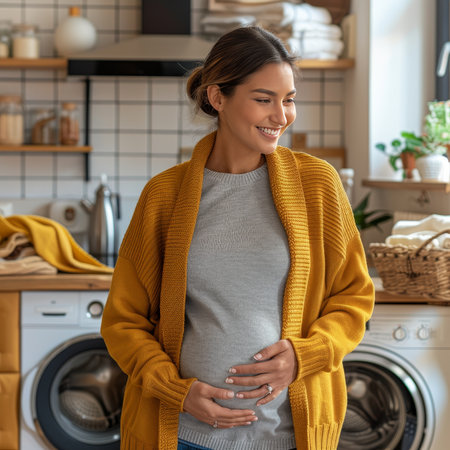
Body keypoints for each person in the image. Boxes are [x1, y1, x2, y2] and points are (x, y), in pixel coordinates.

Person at [101, 26, 375, 450]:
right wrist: (177, 391)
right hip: (185, 436)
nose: (281, 116)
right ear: (218, 98)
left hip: (287, 436)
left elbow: (354, 297)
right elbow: (123, 322)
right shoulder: (164, 195)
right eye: (264, 100)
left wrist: (307, 355)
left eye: (289, 100)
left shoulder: (317, 185)